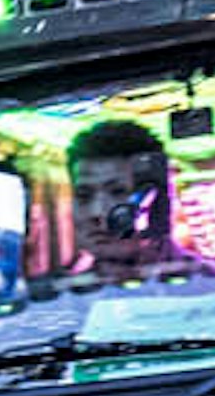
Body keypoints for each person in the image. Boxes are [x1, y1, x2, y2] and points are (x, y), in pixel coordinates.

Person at [67, 119, 179, 283]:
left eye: (118, 192)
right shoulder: (65, 302)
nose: (97, 212)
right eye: (84, 196)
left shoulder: (213, 289)